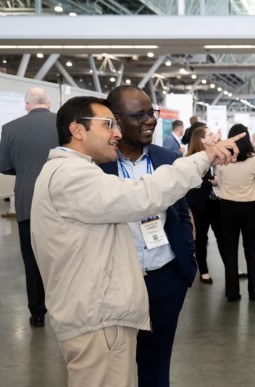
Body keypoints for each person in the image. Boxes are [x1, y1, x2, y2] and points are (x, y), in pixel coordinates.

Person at [30, 95, 243, 387]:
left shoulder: (70, 171)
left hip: (108, 310)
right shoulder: (72, 176)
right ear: (77, 130)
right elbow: (142, 195)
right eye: (108, 125)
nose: (116, 133)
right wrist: (204, 158)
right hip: (99, 320)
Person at [99, 85, 193, 387]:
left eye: (151, 113)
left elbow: (180, 212)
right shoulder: (97, 165)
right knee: (115, 369)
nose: (149, 121)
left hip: (165, 279)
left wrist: (185, 266)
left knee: (156, 367)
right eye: (139, 115)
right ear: (115, 119)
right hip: (114, 284)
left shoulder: (166, 157)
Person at [0, 87, 59, 328]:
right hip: (61, 202)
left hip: (28, 203)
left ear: (26, 105)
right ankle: (64, 310)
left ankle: (37, 314)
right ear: (49, 102)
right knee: (64, 258)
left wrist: (24, 170)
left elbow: (4, 166)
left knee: (32, 260)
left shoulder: (10, 128)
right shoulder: (63, 125)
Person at [217, 124, 255, 302]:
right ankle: (254, 292)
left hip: (227, 207)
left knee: (230, 250)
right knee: (251, 249)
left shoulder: (223, 160)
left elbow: (219, 184)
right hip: (249, 207)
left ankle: (232, 292)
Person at [185, 122, 226, 284]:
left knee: (222, 237)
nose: (213, 136)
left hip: (217, 202)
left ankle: (230, 268)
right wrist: (211, 181)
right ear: (201, 140)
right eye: (209, 135)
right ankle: (203, 271)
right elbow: (194, 181)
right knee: (201, 238)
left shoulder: (216, 154)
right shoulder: (192, 158)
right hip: (200, 204)